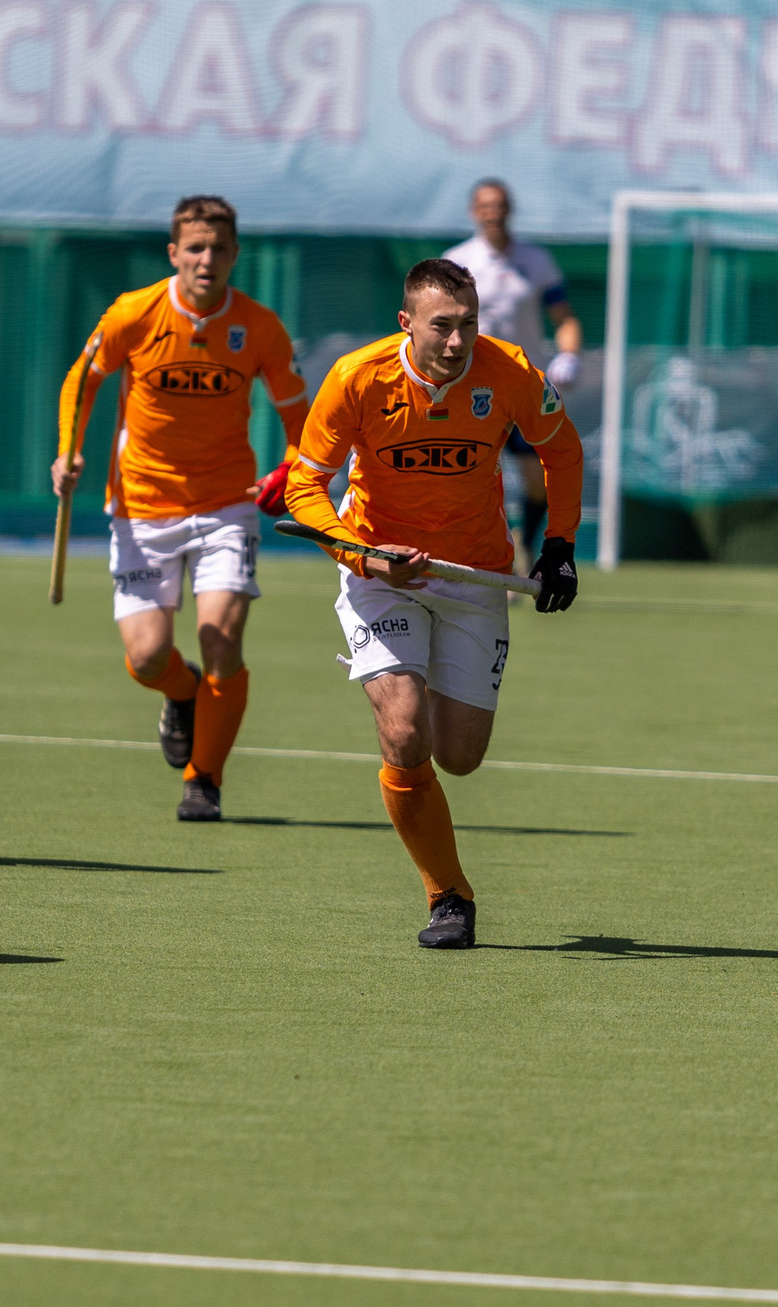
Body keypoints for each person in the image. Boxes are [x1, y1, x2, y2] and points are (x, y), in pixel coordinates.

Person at [285, 257, 582, 950]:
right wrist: (361, 554)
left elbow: (561, 451)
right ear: (406, 323)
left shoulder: (507, 369)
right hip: (380, 572)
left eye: (468, 325)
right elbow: (306, 487)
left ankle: (443, 860)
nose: (457, 342)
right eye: (442, 326)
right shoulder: (357, 378)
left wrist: (560, 545)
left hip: (477, 577)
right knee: (404, 730)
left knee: (461, 755)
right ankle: (448, 894)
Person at [53, 195, 309, 822]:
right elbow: (81, 380)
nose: (207, 259)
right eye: (195, 248)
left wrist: (294, 471)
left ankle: (204, 778)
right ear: (174, 253)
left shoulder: (261, 327)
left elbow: (299, 414)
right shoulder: (133, 313)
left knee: (221, 635)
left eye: (219, 249)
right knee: (145, 659)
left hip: (226, 505)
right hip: (141, 507)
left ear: (235, 256)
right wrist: (68, 453)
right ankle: (186, 692)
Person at [445, 179, 583, 558]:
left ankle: (523, 543)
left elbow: (565, 318)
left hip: (522, 384)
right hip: (469, 385)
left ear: (510, 209)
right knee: (469, 473)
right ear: (475, 211)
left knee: (537, 480)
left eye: (500, 205)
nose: (493, 213)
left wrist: (568, 355)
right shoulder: (457, 261)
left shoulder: (536, 261)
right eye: (485, 206)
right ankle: (476, 552)